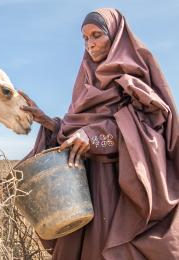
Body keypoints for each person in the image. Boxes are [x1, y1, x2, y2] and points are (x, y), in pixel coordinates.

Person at [19, 8, 179, 260]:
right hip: (85, 186)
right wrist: (50, 123)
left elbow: (149, 126)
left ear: (115, 36)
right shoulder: (85, 80)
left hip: (120, 187)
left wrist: (93, 135)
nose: (90, 44)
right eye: (85, 38)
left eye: (97, 35)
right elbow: (77, 127)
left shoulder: (133, 73)